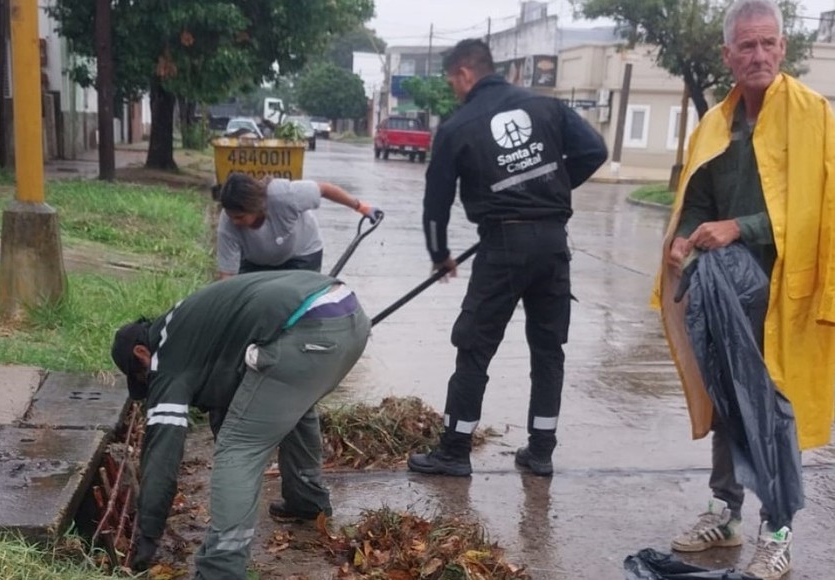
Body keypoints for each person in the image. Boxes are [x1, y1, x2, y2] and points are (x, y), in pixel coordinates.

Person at [653, 1, 835, 578]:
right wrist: (683, 238)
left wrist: (742, 227)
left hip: (788, 289)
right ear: (728, 55)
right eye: (746, 46)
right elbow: (699, 203)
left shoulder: (814, 118)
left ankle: (777, 530)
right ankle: (726, 512)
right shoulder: (715, 125)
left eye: (768, 44)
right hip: (724, 287)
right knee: (728, 399)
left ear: (783, 48)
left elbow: (817, 212)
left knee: (771, 405)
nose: (758, 55)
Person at [407, 38, 608, 478]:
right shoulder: (547, 107)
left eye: (451, 80)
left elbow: (435, 204)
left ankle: (455, 450)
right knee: (548, 347)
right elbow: (596, 151)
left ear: (464, 73)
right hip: (553, 243)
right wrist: (549, 190)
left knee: (474, 346)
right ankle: (541, 452)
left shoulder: (458, 127)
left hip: (502, 247)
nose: (453, 88)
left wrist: (440, 255)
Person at [110, 271, 370, 578]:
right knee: (293, 403)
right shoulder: (185, 323)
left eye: (143, 379)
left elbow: (162, 452)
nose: (150, 387)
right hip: (348, 317)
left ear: (142, 353)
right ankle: (307, 501)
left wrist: (149, 533)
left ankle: (221, 568)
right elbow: (227, 383)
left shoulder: (165, 358)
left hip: (305, 331)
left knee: (239, 448)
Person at [216, 172, 379, 278]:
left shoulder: (282, 195)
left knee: (297, 306)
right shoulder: (228, 223)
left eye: (240, 217)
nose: (234, 222)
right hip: (256, 262)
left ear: (254, 206)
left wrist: (361, 207)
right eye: (231, 217)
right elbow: (227, 275)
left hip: (302, 254)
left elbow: (325, 190)